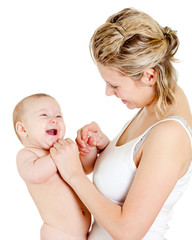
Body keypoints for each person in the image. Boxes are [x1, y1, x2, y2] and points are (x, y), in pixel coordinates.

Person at [50, 8, 192, 240]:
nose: (108, 92)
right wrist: (108, 150)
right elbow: (138, 168)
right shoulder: (156, 103)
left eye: (115, 85)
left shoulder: (170, 135)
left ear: (149, 76)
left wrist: (75, 175)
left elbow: (128, 231)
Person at [13, 93, 91, 240]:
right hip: (58, 233)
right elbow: (35, 174)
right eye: (44, 115)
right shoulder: (27, 154)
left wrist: (88, 150)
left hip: (85, 233)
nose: (54, 120)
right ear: (23, 129)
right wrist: (61, 154)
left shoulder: (59, 151)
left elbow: (86, 168)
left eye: (58, 116)